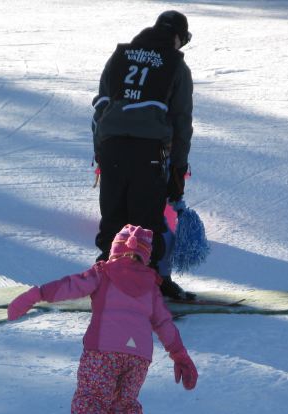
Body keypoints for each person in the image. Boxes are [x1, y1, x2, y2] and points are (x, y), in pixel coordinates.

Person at [7, 224, 198, 414]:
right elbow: (164, 323)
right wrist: (180, 356)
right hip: (139, 357)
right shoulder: (151, 286)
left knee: (91, 399)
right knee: (125, 405)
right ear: (146, 256)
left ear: (115, 250)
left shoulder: (104, 272)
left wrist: (37, 294)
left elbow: (70, 286)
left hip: (103, 351)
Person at [91, 10, 195, 300]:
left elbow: (101, 105)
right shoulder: (176, 65)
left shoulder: (120, 56)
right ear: (179, 37)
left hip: (111, 146)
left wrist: (100, 150)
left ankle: (106, 281)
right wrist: (178, 168)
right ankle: (153, 285)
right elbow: (180, 120)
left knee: (113, 216)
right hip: (148, 151)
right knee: (145, 221)